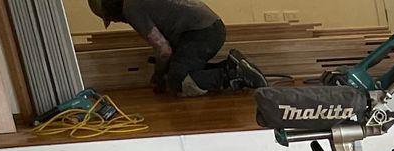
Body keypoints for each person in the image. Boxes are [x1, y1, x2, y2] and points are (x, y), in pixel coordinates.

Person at [87, 0, 266, 97]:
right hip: (209, 28)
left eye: (112, 18)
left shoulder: (131, 8)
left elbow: (164, 50)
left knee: (178, 83)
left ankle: (232, 75)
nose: (118, 21)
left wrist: (159, 74)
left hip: (200, 33)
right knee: (181, 70)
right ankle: (233, 67)